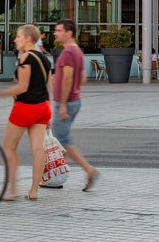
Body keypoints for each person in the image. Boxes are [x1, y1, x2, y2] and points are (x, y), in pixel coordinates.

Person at [0, 24, 51, 201]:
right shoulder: (44, 58)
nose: (15, 39)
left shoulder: (25, 58)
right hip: (43, 107)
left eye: (18, 36)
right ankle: (34, 191)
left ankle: (12, 190)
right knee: (38, 149)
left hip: (25, 107)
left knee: (9, 148)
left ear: (28, 38)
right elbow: (49, 84)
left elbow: (22, 87)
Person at [50, 19, 99, 191]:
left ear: (69, 32)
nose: (55, 33)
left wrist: (62, 104)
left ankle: (88, 170)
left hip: (66, 102)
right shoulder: (78, 51)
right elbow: (82, 79)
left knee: (61, 140)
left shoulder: (68, 53)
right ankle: (51, 173)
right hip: (75, 99)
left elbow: (69, 79)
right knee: (60, 139)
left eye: (59, 30)